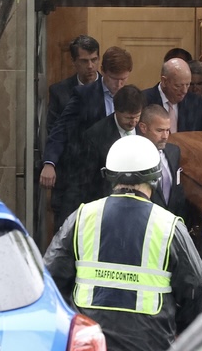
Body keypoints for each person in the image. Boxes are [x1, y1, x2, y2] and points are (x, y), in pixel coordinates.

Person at [44, 135, 202, 350]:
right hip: (150, 342)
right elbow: (194, 287)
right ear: (155, 178)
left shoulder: (82, 217)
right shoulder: (169, 226)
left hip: (91, 342)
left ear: (109, 176)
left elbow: (50, 278)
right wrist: (181, 330)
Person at [40, 46, 133, 229]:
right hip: (85, 179)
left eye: (124, 79)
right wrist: (49, 162)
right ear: (104, 71)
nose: (119, 85)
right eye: (115, 79)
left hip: (118, 181)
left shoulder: (131, 97)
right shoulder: (84, 95)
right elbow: (61, 129)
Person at [59, 85, 146, 222]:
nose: (133, 122)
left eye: (137, 117)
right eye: (128, 118)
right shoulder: (95, 136)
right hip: (107, 207)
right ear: (116, 111)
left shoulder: (145, 129)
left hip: (141, 206)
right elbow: (84, 181)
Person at [143, 58, 202, 133]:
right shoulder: (143, 100)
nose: (184, 91)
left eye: (187, 85)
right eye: (178, 86)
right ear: (164, 81)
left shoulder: (195, 102)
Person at [138, 104, 186, 219]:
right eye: (159, 130)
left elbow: (177, 191)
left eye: (167, 130)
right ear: (143, 127)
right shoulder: (135, 158)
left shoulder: (174, 151)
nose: (165, 136)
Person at [46, 35, 100, 134]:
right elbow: (54, 131)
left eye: (94, 60)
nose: (90, 66)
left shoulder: (111, 88)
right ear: (73, 61)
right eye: (84, 61)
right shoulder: (59, 92)